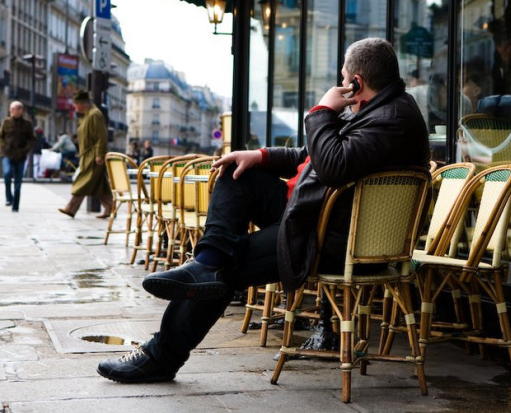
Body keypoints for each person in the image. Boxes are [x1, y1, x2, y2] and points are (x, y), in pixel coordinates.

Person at [96, 37, 430, 384]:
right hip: (314, 218)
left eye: (344, 79)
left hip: (330, 239)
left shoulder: (392, 119)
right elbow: (312, 156)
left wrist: (322, 111)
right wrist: (260, 156)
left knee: (229, 267)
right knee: (239, 174)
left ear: (355, 82)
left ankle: (161, 355)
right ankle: (206, 261)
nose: (340, 86)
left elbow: (332, 164)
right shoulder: (379, 110)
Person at [58, 90, 113, 219]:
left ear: (82, 103)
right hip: (87, 154)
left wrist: (99, 154)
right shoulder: (87, 115)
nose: (74, 107)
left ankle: (71, 208)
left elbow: (102, 136)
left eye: (76, 104)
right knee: (100, 185)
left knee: (83, 181)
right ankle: (110, 207)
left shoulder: (94, 115)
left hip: (93, 155)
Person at [0, 101, 35, 212]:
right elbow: (0, 136)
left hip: (20, 155)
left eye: (14, 109)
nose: (11, 111)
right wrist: (2, 147)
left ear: (21, 111)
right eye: (11, 109)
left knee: (18, 181)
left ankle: (15, 205)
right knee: (7, 173)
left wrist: (26, 150)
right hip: (7, 154)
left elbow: (32, 138)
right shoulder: (6, 122)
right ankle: (8, 197)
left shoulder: (27, 124)